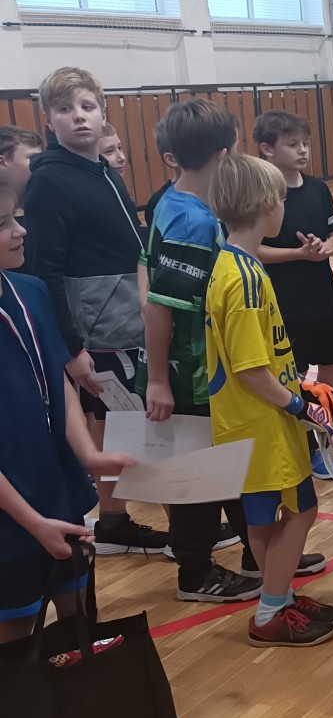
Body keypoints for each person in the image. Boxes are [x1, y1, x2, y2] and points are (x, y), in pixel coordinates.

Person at [21, 67, 168, 557]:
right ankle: (189, 540)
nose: (79, 117)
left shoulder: (102, 170)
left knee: (118, 426)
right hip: (99, 333)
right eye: (65, 109)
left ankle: (114, 521)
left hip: (127, 321)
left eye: (87, 107)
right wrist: (71, 348)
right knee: (140, 426)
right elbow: (46, 271)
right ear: (48, 119)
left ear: (103, 112)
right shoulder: (49, 181)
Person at [139, 99, 278, 603]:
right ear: (225, 155)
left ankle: (261, 554)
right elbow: (160, 306)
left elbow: (143, 269)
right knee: (198, 478)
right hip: (192, 373)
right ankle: (195, 573)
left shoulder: (175, 203)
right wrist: (159, 379)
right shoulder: (192, 223)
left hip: (205, 370)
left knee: (233, 464)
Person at [207, 153, 333, 647]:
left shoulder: (231, 263)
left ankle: (280, 595)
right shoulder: (245, 280)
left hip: (246, 420)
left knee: (263, 517)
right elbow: (250, 370)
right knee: (302, 510)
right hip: (262, 421)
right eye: (282, 200)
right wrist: (300, 405)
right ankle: (270, 611)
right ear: (267, 206)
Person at [0, 169, 133, 643]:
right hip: (11, 510)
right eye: (3, 224)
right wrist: (33, 523)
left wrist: (90, 456)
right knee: (18, 633)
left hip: (55, 487)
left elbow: (57, 383)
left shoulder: (31, 291)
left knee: (77, 614)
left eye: (15, 217)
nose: (20, 231)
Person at [254, 109, 333, 478]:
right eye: (293, 144)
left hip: (322, 294)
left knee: (331, 362)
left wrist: (326, 248)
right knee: (295, 372)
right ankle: (307, 444)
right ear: (267, 149)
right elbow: (252, 248)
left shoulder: (318, 189)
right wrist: (298, 254)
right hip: (284, 301)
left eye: (305, 143)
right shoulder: (261, 194)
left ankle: (330, 431)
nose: (303, 150)